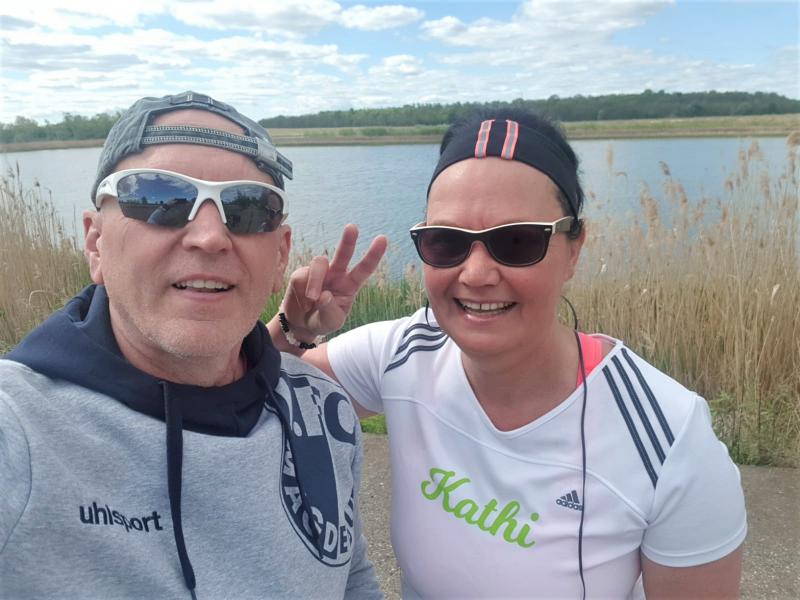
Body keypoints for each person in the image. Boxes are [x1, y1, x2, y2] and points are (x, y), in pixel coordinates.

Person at [268, 108, 747, 598]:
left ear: (574, 249)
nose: (476, 274)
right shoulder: (403, 354)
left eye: (517, 242)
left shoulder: (668, 438)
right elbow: (256, 389)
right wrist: (291, 328)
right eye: (446, 242)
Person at [0, 91, 382, 599]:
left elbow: (351, 578)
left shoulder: (321, 408)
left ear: (279, 256)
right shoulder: (20, 428)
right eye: (160, 198)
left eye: (246, 208)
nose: (209, 237)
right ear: (96, 243)